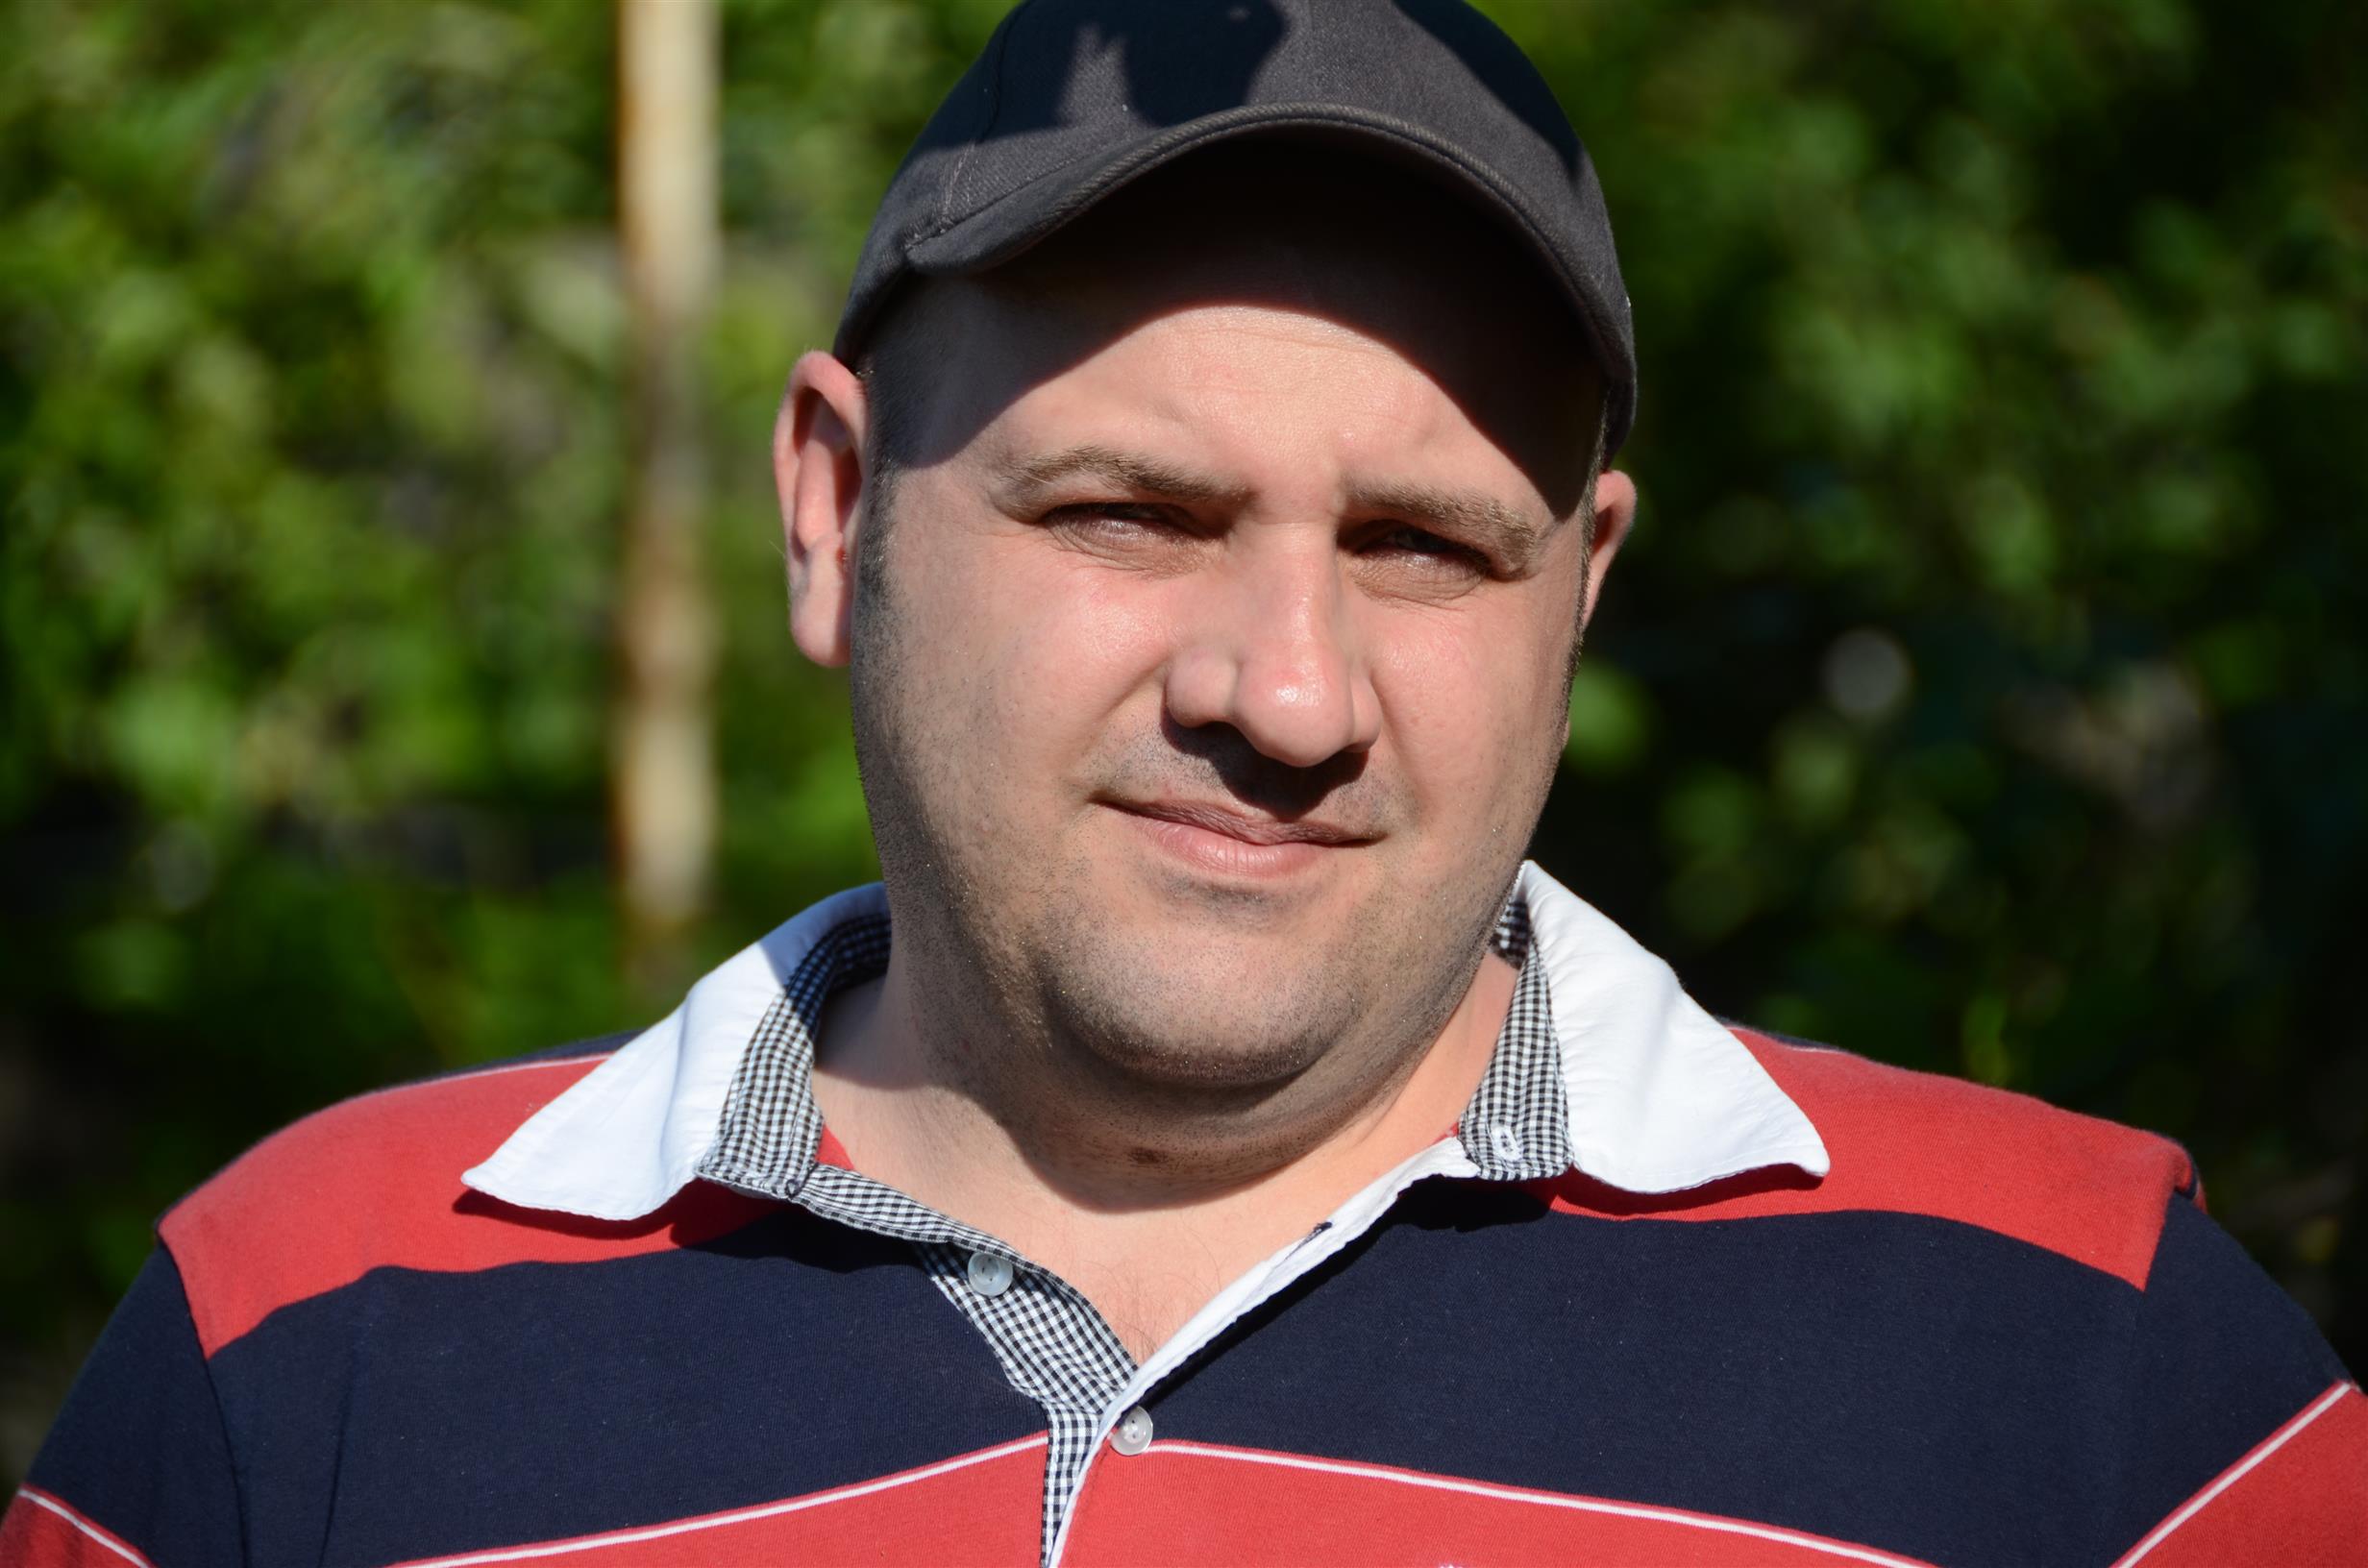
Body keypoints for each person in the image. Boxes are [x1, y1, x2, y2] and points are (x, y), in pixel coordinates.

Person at [10, 1, 2363, 1564]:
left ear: (1581, 597)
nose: (1290, 693)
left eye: (1423, 546)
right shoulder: (300, 1348)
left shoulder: (2087, 1375)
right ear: (834, 512)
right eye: (1132, 514)